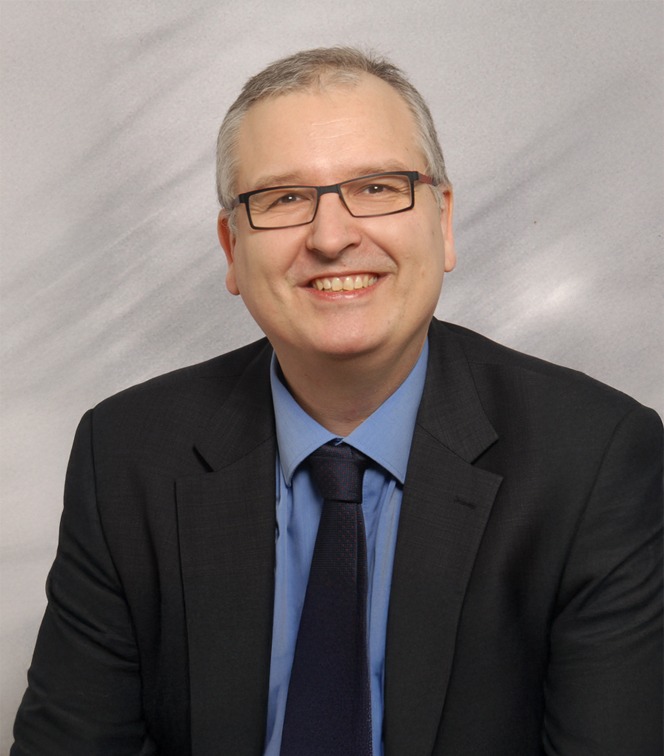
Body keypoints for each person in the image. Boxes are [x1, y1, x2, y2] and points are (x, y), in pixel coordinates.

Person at [12, 46, 662, 756]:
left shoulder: (596, 460)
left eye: (377, 187)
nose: (331, 237)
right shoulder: (125, 453)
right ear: (232, 249)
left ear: (443, 222)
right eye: (284, 198)